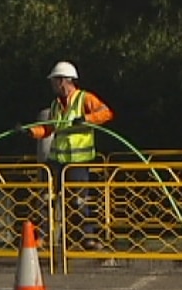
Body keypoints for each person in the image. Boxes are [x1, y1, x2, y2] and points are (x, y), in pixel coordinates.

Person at [18, 61, 114, 250]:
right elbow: (48, 129)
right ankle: (43, 237)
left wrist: (86, 119)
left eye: (54, 81)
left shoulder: (84, 99)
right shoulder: (55, 105)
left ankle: (88, 237)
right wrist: (30, 132)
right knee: (47, 197)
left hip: (78, 161)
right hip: (58, 160)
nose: (52, 85)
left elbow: (106, 113)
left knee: (78, 201)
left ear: (64, 81)